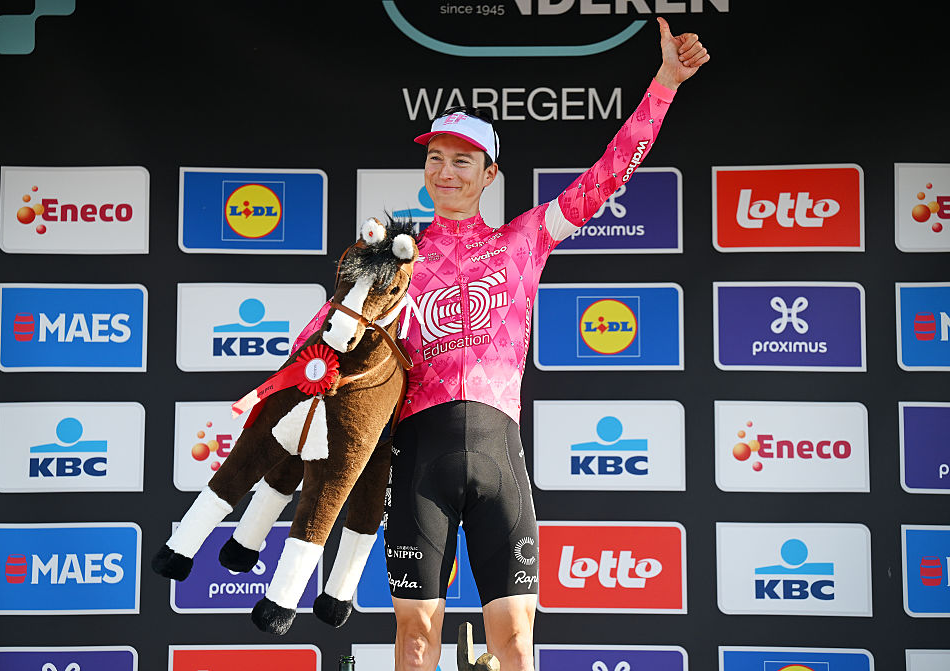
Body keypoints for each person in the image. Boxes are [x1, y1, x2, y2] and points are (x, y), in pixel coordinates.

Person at [298, 17, 708, 671]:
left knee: (516, 642)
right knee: (413, 640)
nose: (446, 170)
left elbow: (607, 175)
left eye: (463, 160)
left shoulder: (524, 239)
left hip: (500, 459)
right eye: (435, 157)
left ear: (490, 174)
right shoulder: (392, 256)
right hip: (417, 462)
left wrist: (664, 83)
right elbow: (321, 337)